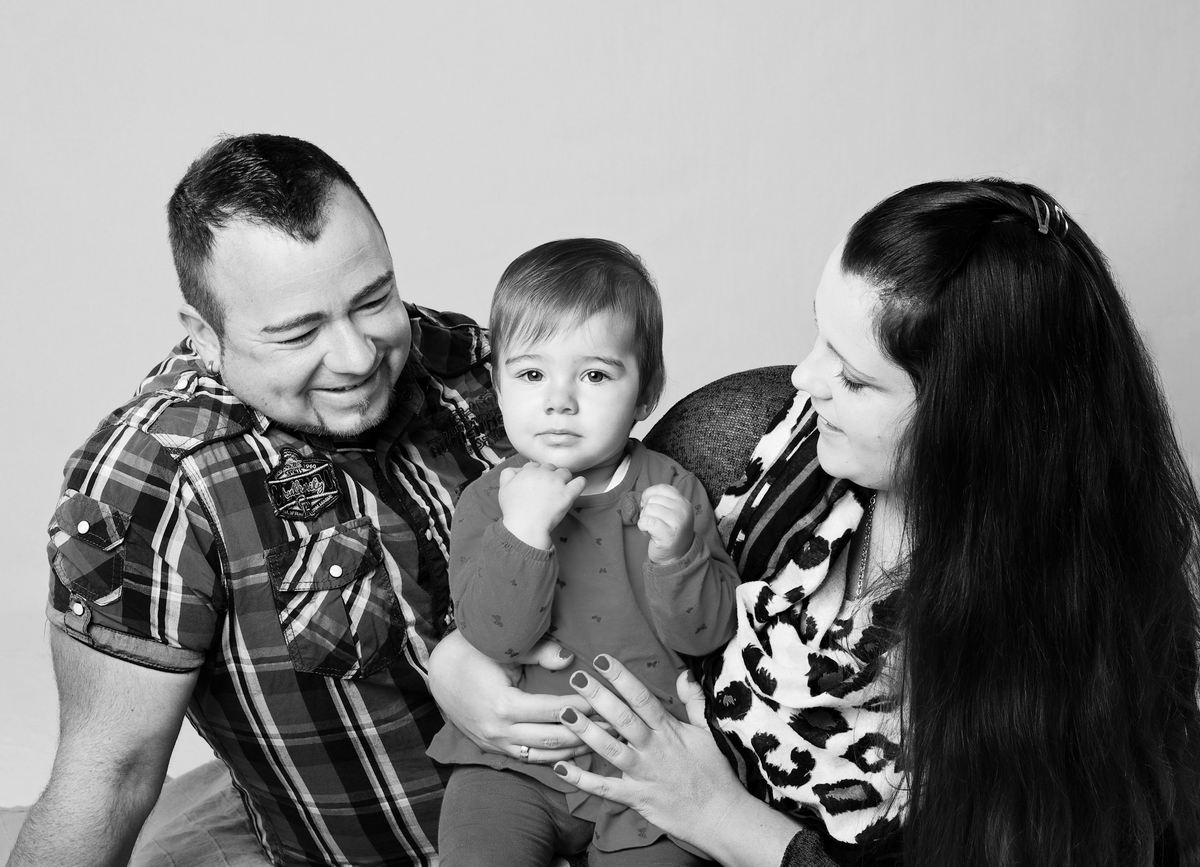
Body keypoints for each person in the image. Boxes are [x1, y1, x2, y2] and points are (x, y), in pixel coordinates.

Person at [535, 179, 1200, 866]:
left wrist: (719, 817)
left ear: (976, 426)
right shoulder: (746, 445)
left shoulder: (1077, 659)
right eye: (819, 333)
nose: (804, 378)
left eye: (854, 378)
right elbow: (556, 545)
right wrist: (472, 670)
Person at [9, 133, 592, 867]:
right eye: (298, 332)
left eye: (373, 300)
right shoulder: (151, 480)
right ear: (205, 337)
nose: (356, 356)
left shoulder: (478, 366)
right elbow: (111, 772)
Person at [428, 239, 739, 865]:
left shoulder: (671, 491)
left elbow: (708, 635)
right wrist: (523, 532)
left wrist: (678, 556)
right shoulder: (489, 500)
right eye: (531, 374)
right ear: (497, 387)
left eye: (595, 375)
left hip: (646, 769)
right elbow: (495, 637)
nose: (559, 400)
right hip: (514, 765)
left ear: (645, 392)